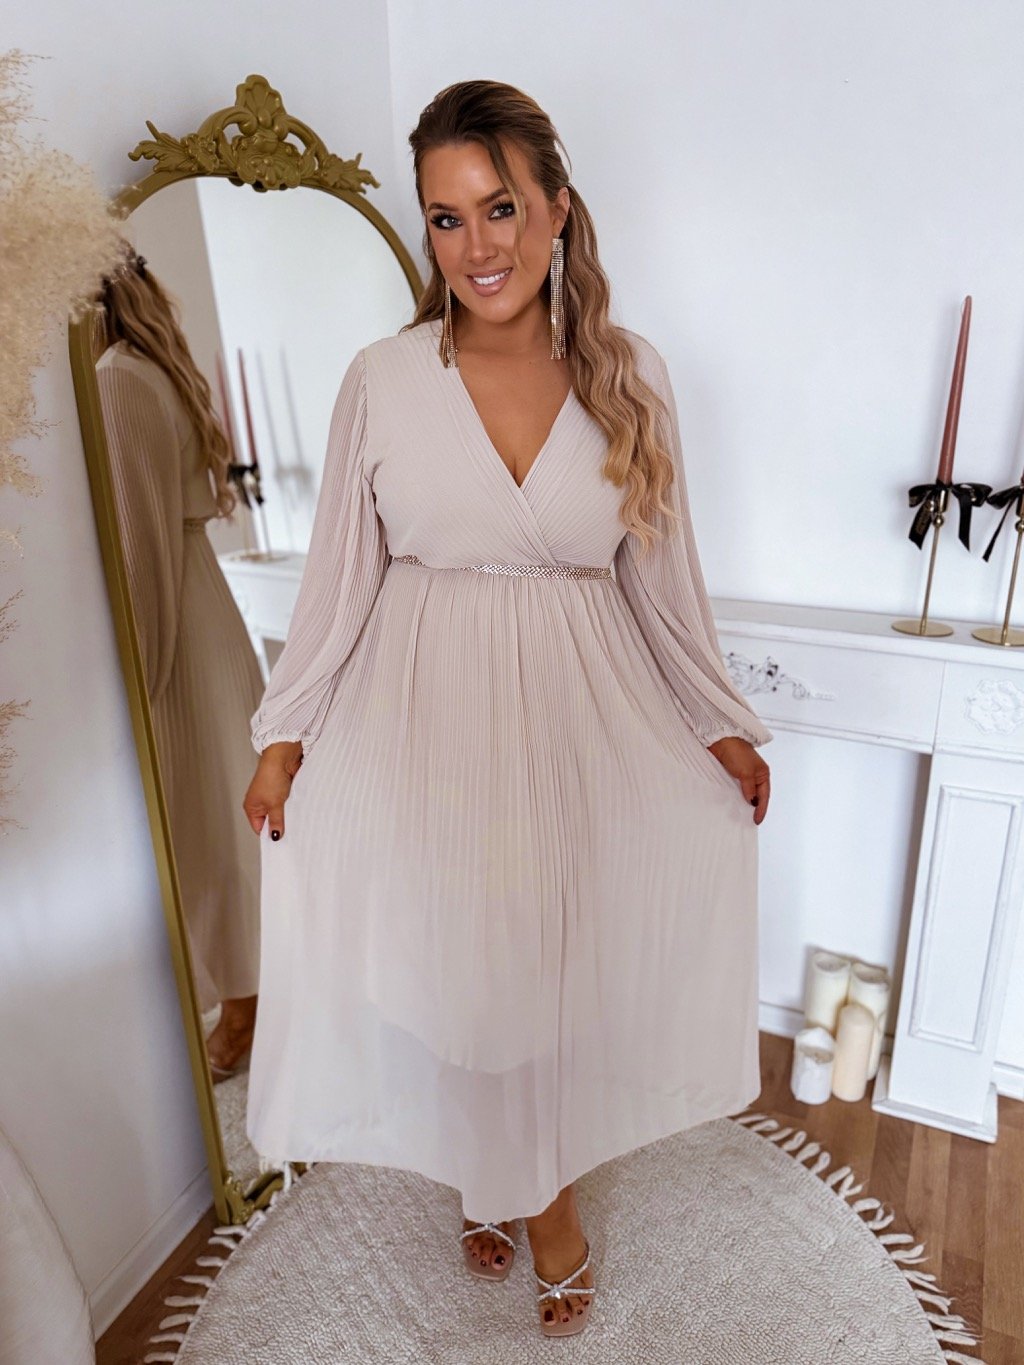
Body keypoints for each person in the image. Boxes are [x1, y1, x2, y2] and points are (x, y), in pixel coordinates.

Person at [242, 79, 772, 1341]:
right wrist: (284, 735)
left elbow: (661, 579)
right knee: (455, 974)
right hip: (423, 713)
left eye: (499, 208)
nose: (476, 246)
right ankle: (514, 1188)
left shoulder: (629, 375)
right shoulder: (382, 379)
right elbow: (339, 579)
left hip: (581, 717)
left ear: (556, 209)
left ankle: (530, 1193)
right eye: (445, 218)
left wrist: (718, 722)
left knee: (550, 977)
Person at [96, 244, 262, 1082]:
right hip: (205, 608)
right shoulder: (151, 369)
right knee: (226, 824)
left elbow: (140, 542)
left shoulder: (119, 379)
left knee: (211, 831)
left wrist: (143, 675)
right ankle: (252, 1007)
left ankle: (245, 1014)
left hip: (181, 629)